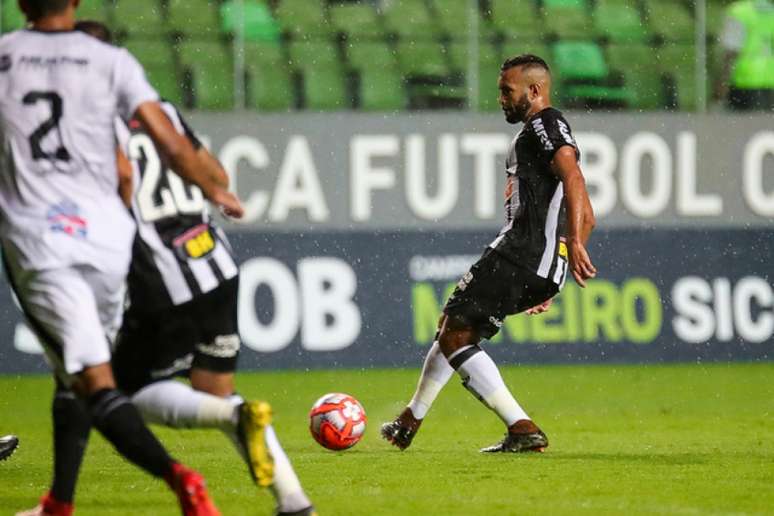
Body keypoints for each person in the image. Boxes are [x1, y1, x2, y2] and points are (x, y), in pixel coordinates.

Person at [16, 18, 315, 516]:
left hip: (161, 276)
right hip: (215, 265)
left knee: (107, 391)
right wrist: (216, 191)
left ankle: (61, 503)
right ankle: (294, 501)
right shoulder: (164, 113)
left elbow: (123, 174)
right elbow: (211, 169)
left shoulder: (90, 119)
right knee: (213, 391)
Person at [381, 54, 596, 453]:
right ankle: (410, 419)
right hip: (539, 262)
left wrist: (568, 248)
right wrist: (559, 259)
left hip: (520, 252)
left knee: (456, 331)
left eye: (506, 91)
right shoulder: (538, 131)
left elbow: (574, 177)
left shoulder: (545, 124)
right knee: (454, 327)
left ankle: (521, 428)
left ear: (533, 91)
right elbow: (585, 212)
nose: (500, 99)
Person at [715, 0, 774, 111]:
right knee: (768, 125)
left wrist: (723, 81)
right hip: (771, 80)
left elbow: (731, 50)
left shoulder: (739, 12)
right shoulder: (771, 11)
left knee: (746, 125)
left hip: (744, 81)